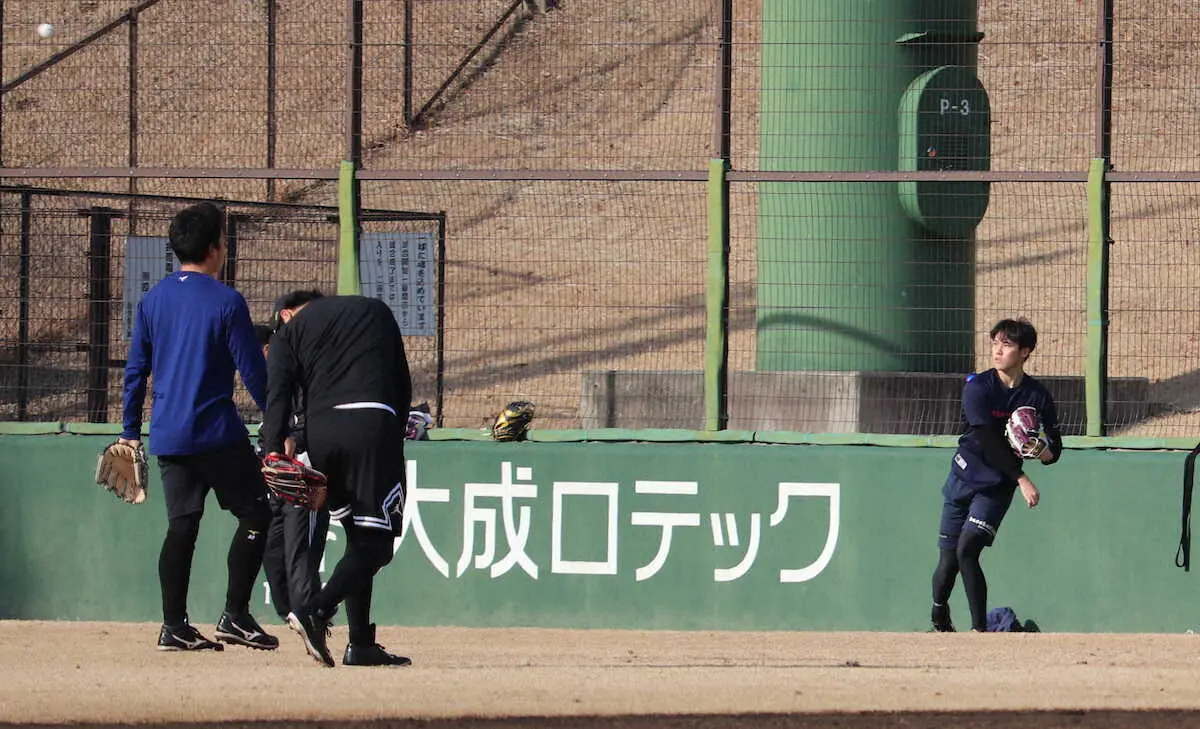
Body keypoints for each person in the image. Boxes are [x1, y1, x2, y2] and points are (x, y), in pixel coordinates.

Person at [120, 201, 278, 652]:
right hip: (216, 433)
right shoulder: (227, 301)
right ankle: (235, 615)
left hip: (168, 432)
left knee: (182, 527)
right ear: (215, 249)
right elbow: (254, 372)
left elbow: (136, 371)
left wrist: (130, 430)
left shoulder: (153, 300)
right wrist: (280, 420)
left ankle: (174, 625)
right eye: (223, 239)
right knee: (256, 513)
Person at [260, 291, 413, 667]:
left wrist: (270, 454)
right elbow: (401, 382)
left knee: (359, 535)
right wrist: (391, 433)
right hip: (370, 421)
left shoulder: (288, 332)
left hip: (323, 433)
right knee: (377, 545)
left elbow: (276, 395)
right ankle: (318, 609)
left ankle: (360, 643)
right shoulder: (375, 310)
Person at [929, 318, 1063, 633]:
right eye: (995, 342)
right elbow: (988, 440)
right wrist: (1022, 478)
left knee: (967, 550)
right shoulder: (978, 387)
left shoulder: (1038, 396)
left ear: (1026, 351)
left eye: (1007, 344)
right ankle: (939, 614)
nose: (998, 350)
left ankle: (979, 631)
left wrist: (1042, 451)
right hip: (964, 475)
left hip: (995, 486)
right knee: (948, 561)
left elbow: (1055, 447)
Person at [254, 319, 331, 634]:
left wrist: (295, 438)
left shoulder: (302, 376)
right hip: (273, 478)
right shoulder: (264, 383)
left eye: (253, 351)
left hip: (302, 478)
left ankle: (312, 613)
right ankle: (295, 613)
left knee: (301, 553)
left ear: (269, 350)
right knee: (272, 554)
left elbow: (314, 418)